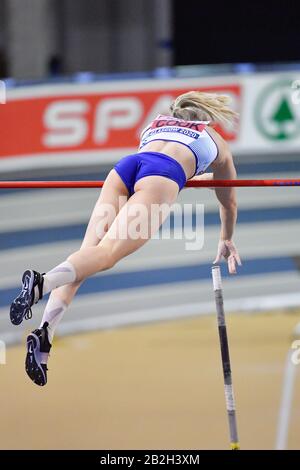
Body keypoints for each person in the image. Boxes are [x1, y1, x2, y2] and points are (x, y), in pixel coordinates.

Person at [10, 91, 241, 386]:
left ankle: (44, 335)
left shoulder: (155, 125)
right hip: (162, 177)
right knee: (106, 255)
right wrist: (227, 236)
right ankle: (41, 282)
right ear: (206, 118)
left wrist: (195, 181)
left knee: (87, 257)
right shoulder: (217, 143)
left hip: (126, 169)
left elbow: (163, 163)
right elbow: (228, 199)